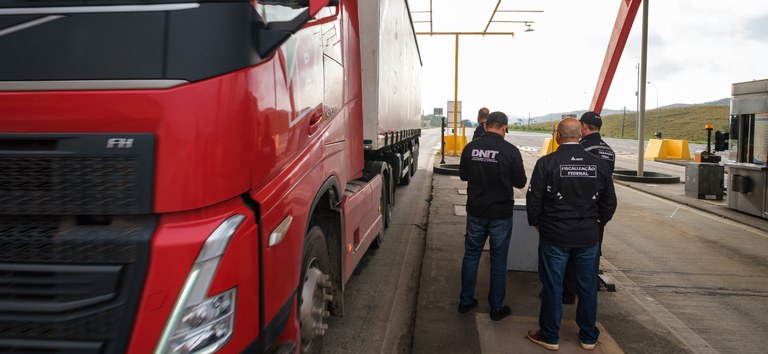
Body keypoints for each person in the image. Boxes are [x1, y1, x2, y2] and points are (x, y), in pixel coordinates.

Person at [525, 118, 617, 350]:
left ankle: (549, 335)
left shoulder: (546, 163)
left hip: (555, 235)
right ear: (580, 135)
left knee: (553, 286)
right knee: (586, 287)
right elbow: (609, 203)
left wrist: (536, 223)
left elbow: (534, 198)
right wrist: (597, 224)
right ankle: (588, 336)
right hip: (587, 236)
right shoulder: (599, 165)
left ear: (558, 136)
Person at [458, 111, 527, 321]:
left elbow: (463, 176)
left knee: (471, 255)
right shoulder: (511, 151)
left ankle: (465, 301)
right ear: (504, 127)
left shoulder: (470, 148)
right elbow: (521, 182)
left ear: (486, 125)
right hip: (500, 214)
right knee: (498, 260)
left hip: (476, 211)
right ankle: (496, 307)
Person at [561, 111, 616, 303]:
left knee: (569, 256)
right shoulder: (609, 151)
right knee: (591, 259)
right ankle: (587, 296)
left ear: (583, 127)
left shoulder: (581, 149)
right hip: (596, 216)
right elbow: (609, 191)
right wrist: (602, 218)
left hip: (576, 214)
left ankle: (567, 294)